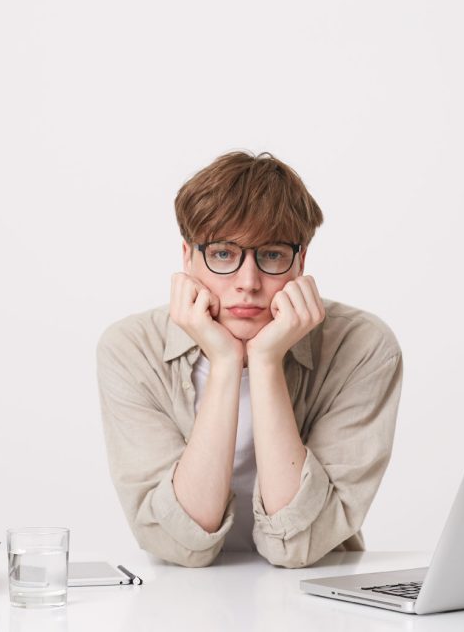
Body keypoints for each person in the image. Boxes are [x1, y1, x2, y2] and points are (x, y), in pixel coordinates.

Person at [97, 151, 402, 568]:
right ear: (187, 258)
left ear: (301, 263)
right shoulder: (131, 349)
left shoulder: (363, 347)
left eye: (272, 254)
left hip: (312, 596)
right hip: (179, 601)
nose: (248, 283)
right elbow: (180, 543)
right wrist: (225, 363)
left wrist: (265, 362)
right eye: (223, 254)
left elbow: (296, 546)